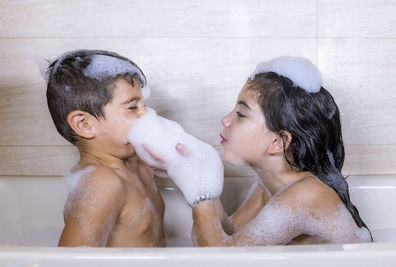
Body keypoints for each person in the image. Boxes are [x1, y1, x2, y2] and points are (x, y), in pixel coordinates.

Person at [138, 56, 373, 246]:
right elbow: (227, 234)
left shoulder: (306, 194)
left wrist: (199, 195)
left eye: (241, 114)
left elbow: (218, 261)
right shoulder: (268, 186)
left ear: (278, 142)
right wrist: (195, 176)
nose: (226, 120)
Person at [45, 49, 165, 247]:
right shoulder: (102, 183)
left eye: (144, 104)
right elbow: (71, 262)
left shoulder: (136, 164)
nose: (148, 114)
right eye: (133, 107)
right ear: (84, 124)